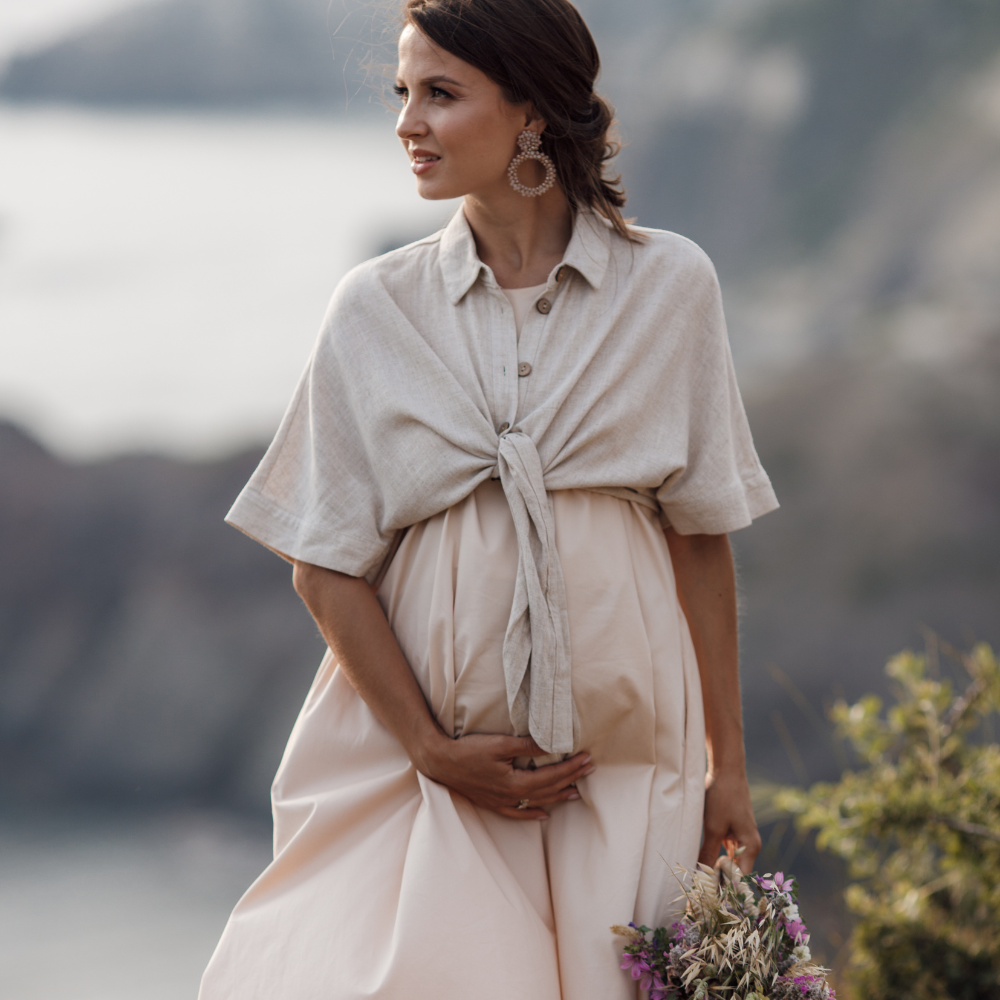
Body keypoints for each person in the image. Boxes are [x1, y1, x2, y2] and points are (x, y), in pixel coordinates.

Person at [199, 0, 778, 997]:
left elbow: (700, 537)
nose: (406, 122)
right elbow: (323, 561)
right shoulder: (374, 310)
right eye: (402, 93)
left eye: (440, 93)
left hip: (632, 765)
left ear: (531, 111)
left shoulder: (670, 286)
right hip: (425, 779)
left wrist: (728, 765)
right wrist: (432, 748)